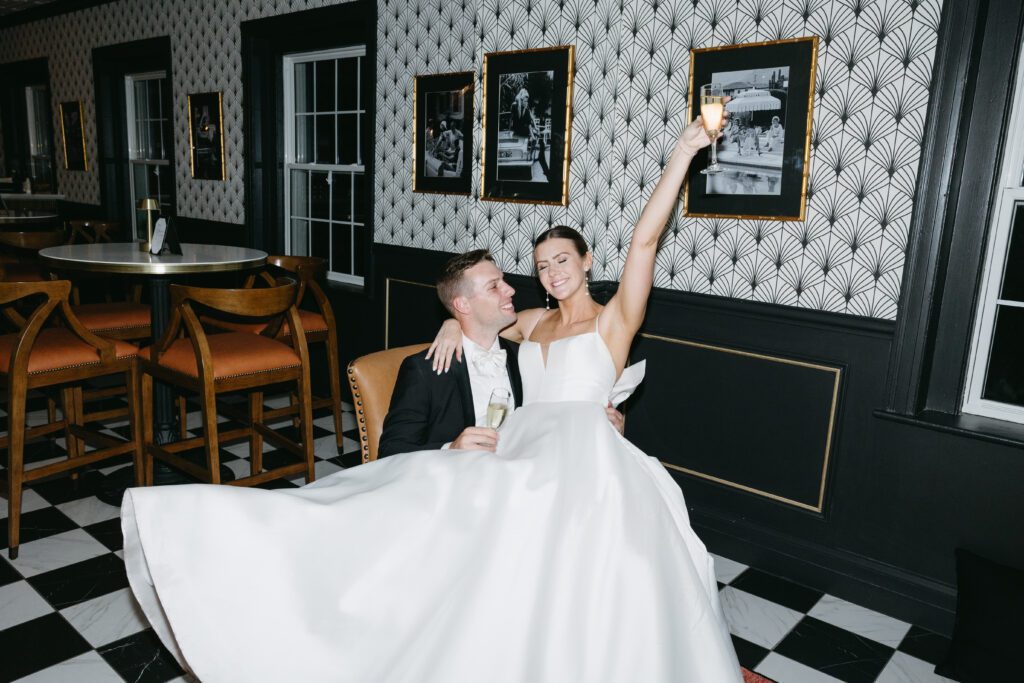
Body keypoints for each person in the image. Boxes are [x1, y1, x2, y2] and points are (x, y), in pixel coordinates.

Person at [120, 114, 742, 682]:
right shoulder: (529, 323)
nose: (552, 272)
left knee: (568, 572)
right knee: (428, 510)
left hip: (583, 459)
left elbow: (645, 242)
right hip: (520, 447)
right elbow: (476, 318)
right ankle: (244, 545)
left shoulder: (613, 322)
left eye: (562, 260)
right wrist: (449, 321)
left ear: (585, 261)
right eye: (541, 265)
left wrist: (684, 152)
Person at [379, 250, 623, 457]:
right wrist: (449, 449)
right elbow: (391, 451)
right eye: (494, 286)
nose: (510, 290)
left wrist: (602, 423)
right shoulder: (423, 370)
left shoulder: (524, 358)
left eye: (503, 280)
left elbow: (556, 411)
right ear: (463, 305)